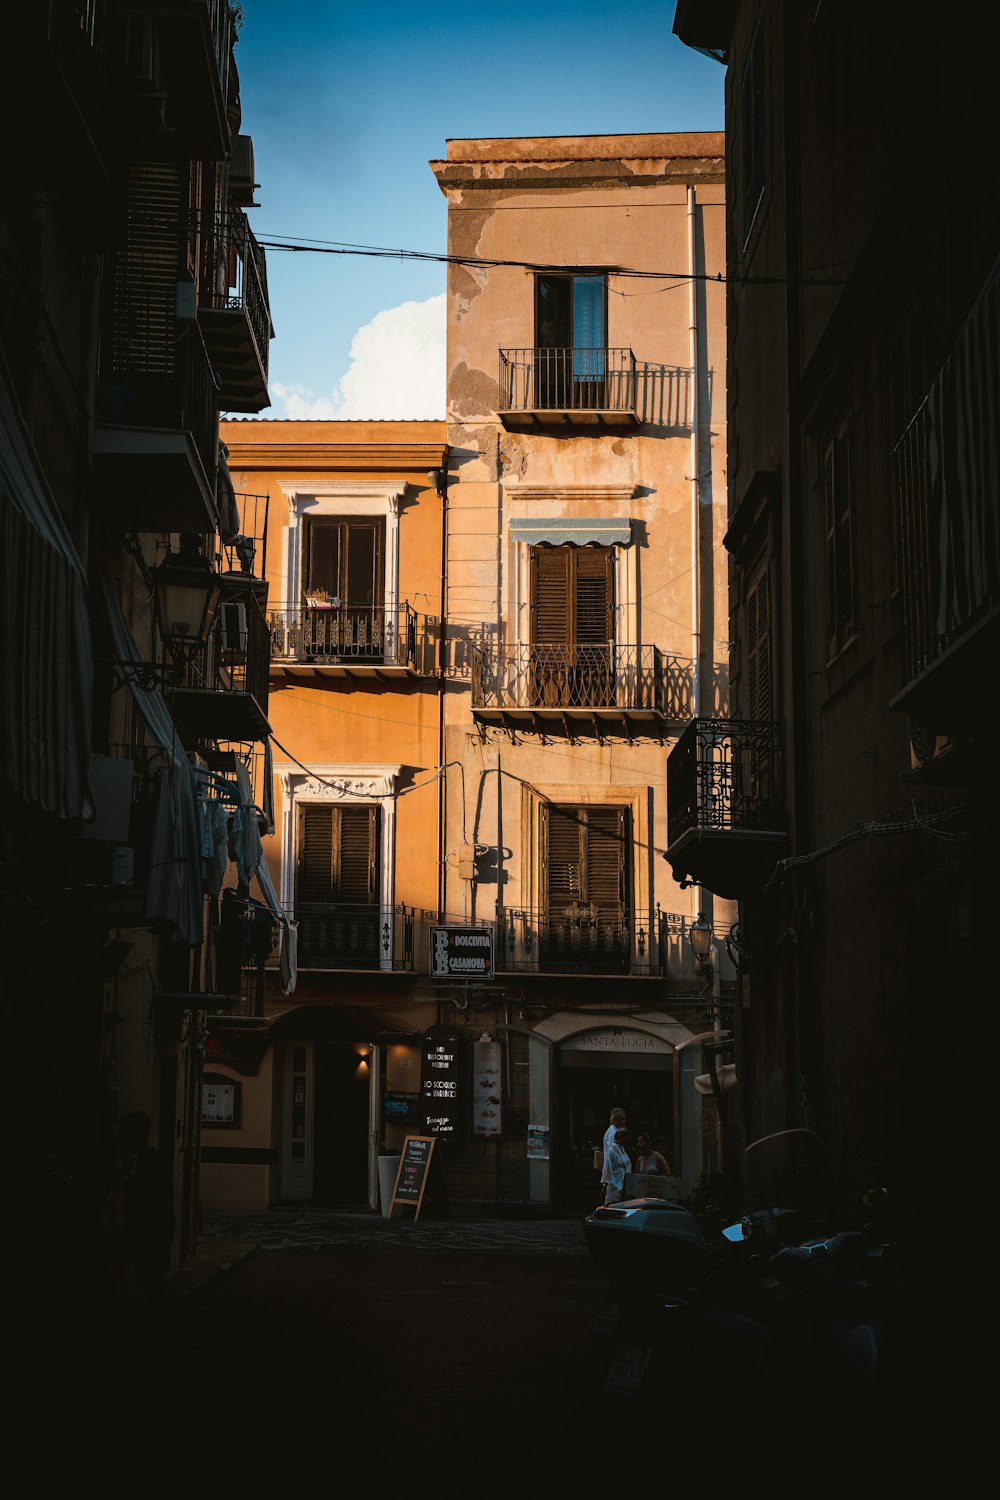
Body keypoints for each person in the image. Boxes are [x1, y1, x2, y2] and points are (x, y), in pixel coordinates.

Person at [114, 1111, 174, 1302]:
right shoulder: (149, 1161)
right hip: (149, 1234)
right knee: (149, 1284)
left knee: (149, 1284)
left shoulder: (150, 1163)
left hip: (148, 1235)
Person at [601, 1128, 633, 1205]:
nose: (627, 1141)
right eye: (626, 1139)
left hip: (623, 1183)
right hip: (614, 1183)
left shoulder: (622, 1149)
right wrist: (604, 1185)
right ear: (621, 1138)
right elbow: (607, 1168)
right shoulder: (611, 1151)